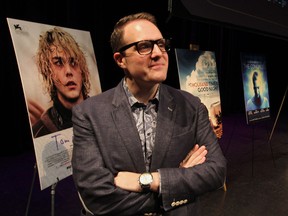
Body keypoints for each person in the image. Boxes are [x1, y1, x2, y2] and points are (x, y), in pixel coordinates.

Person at [71, 12, 227, 216]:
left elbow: (216, 171)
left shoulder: (191, 105)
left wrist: (150, 181)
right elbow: (96, 196)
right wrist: (179, 186)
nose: (158, 53)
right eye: (144, 46)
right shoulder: (88, 113)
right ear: (120, 60)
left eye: (161, 44)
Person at [32, 27, 91, 138]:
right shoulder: (39, 132)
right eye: (58, 63)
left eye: (73, 62)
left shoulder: (104, 114)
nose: (68, 71)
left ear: (82, 68)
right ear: (47, 71)